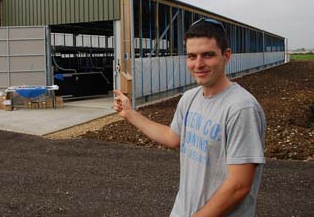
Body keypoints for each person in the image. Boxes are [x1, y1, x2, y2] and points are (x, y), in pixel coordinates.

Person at [114, 18, 266, 217]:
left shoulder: (240, 108)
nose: (198, 64)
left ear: (226, 55)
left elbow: (239, 185)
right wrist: (130, 114)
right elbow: (172, 136)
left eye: (208, 55)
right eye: (192, 56)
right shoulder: (190, 98)